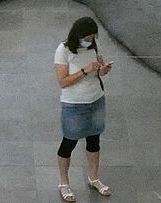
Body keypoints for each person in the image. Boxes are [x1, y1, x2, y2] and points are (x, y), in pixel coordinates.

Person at [53, 16, 113, 201]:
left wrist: (102, 70)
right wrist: (85, 71)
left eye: (93, 38)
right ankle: (64, 183)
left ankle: (94, 178)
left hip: (95, 100)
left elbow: (98, 70)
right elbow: (63, 82)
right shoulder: (63, 50)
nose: (90, 41)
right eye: (87, 38)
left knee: (94, 140)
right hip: (74, 104)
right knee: (69, 142)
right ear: (78, 35)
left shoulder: (95, 45)